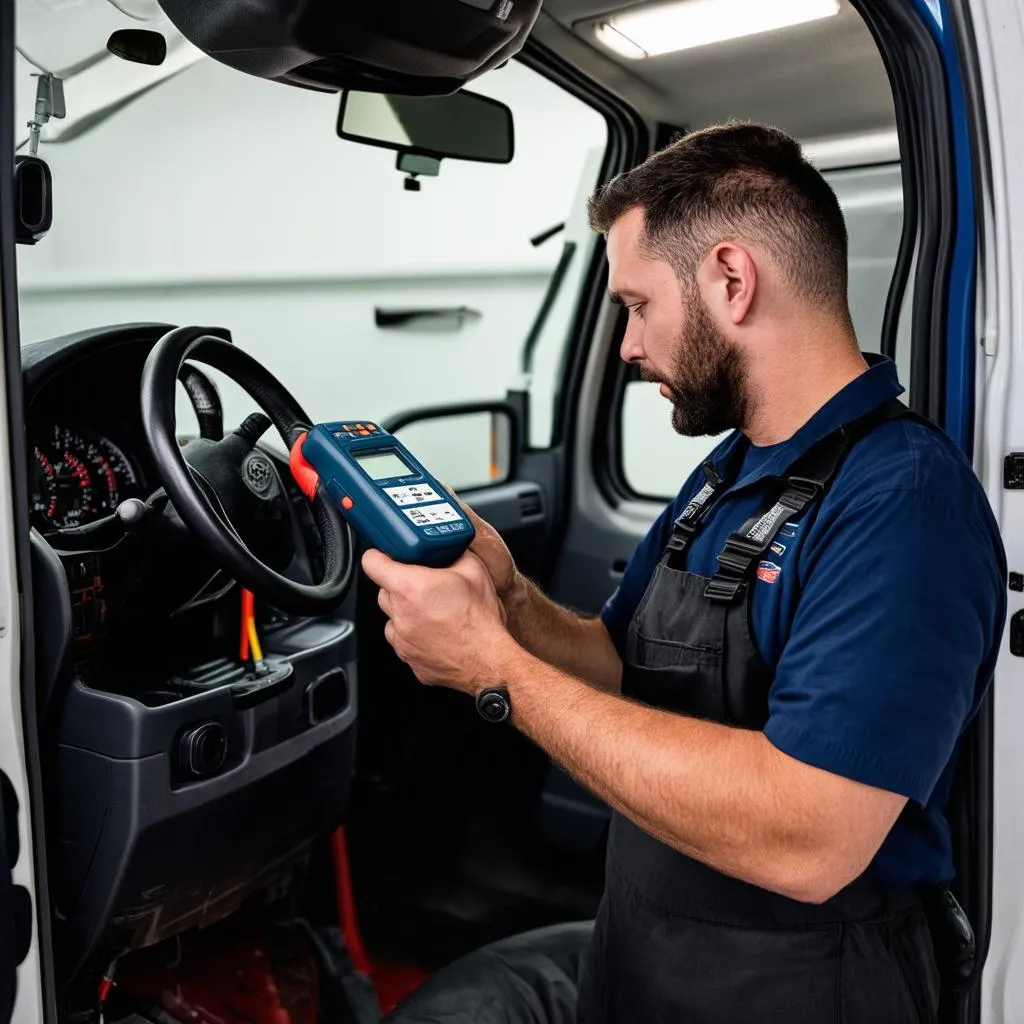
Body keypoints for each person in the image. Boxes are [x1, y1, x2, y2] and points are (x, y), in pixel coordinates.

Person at [360, 123, 1007, 1024]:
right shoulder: (730, 473)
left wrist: (497, 673)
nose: (626, 345)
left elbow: (808, 839)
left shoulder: (903, 505)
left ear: (731, 282)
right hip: (649, 948)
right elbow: (622, 663)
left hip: (794, 989)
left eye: (635, 304)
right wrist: (508, 599)